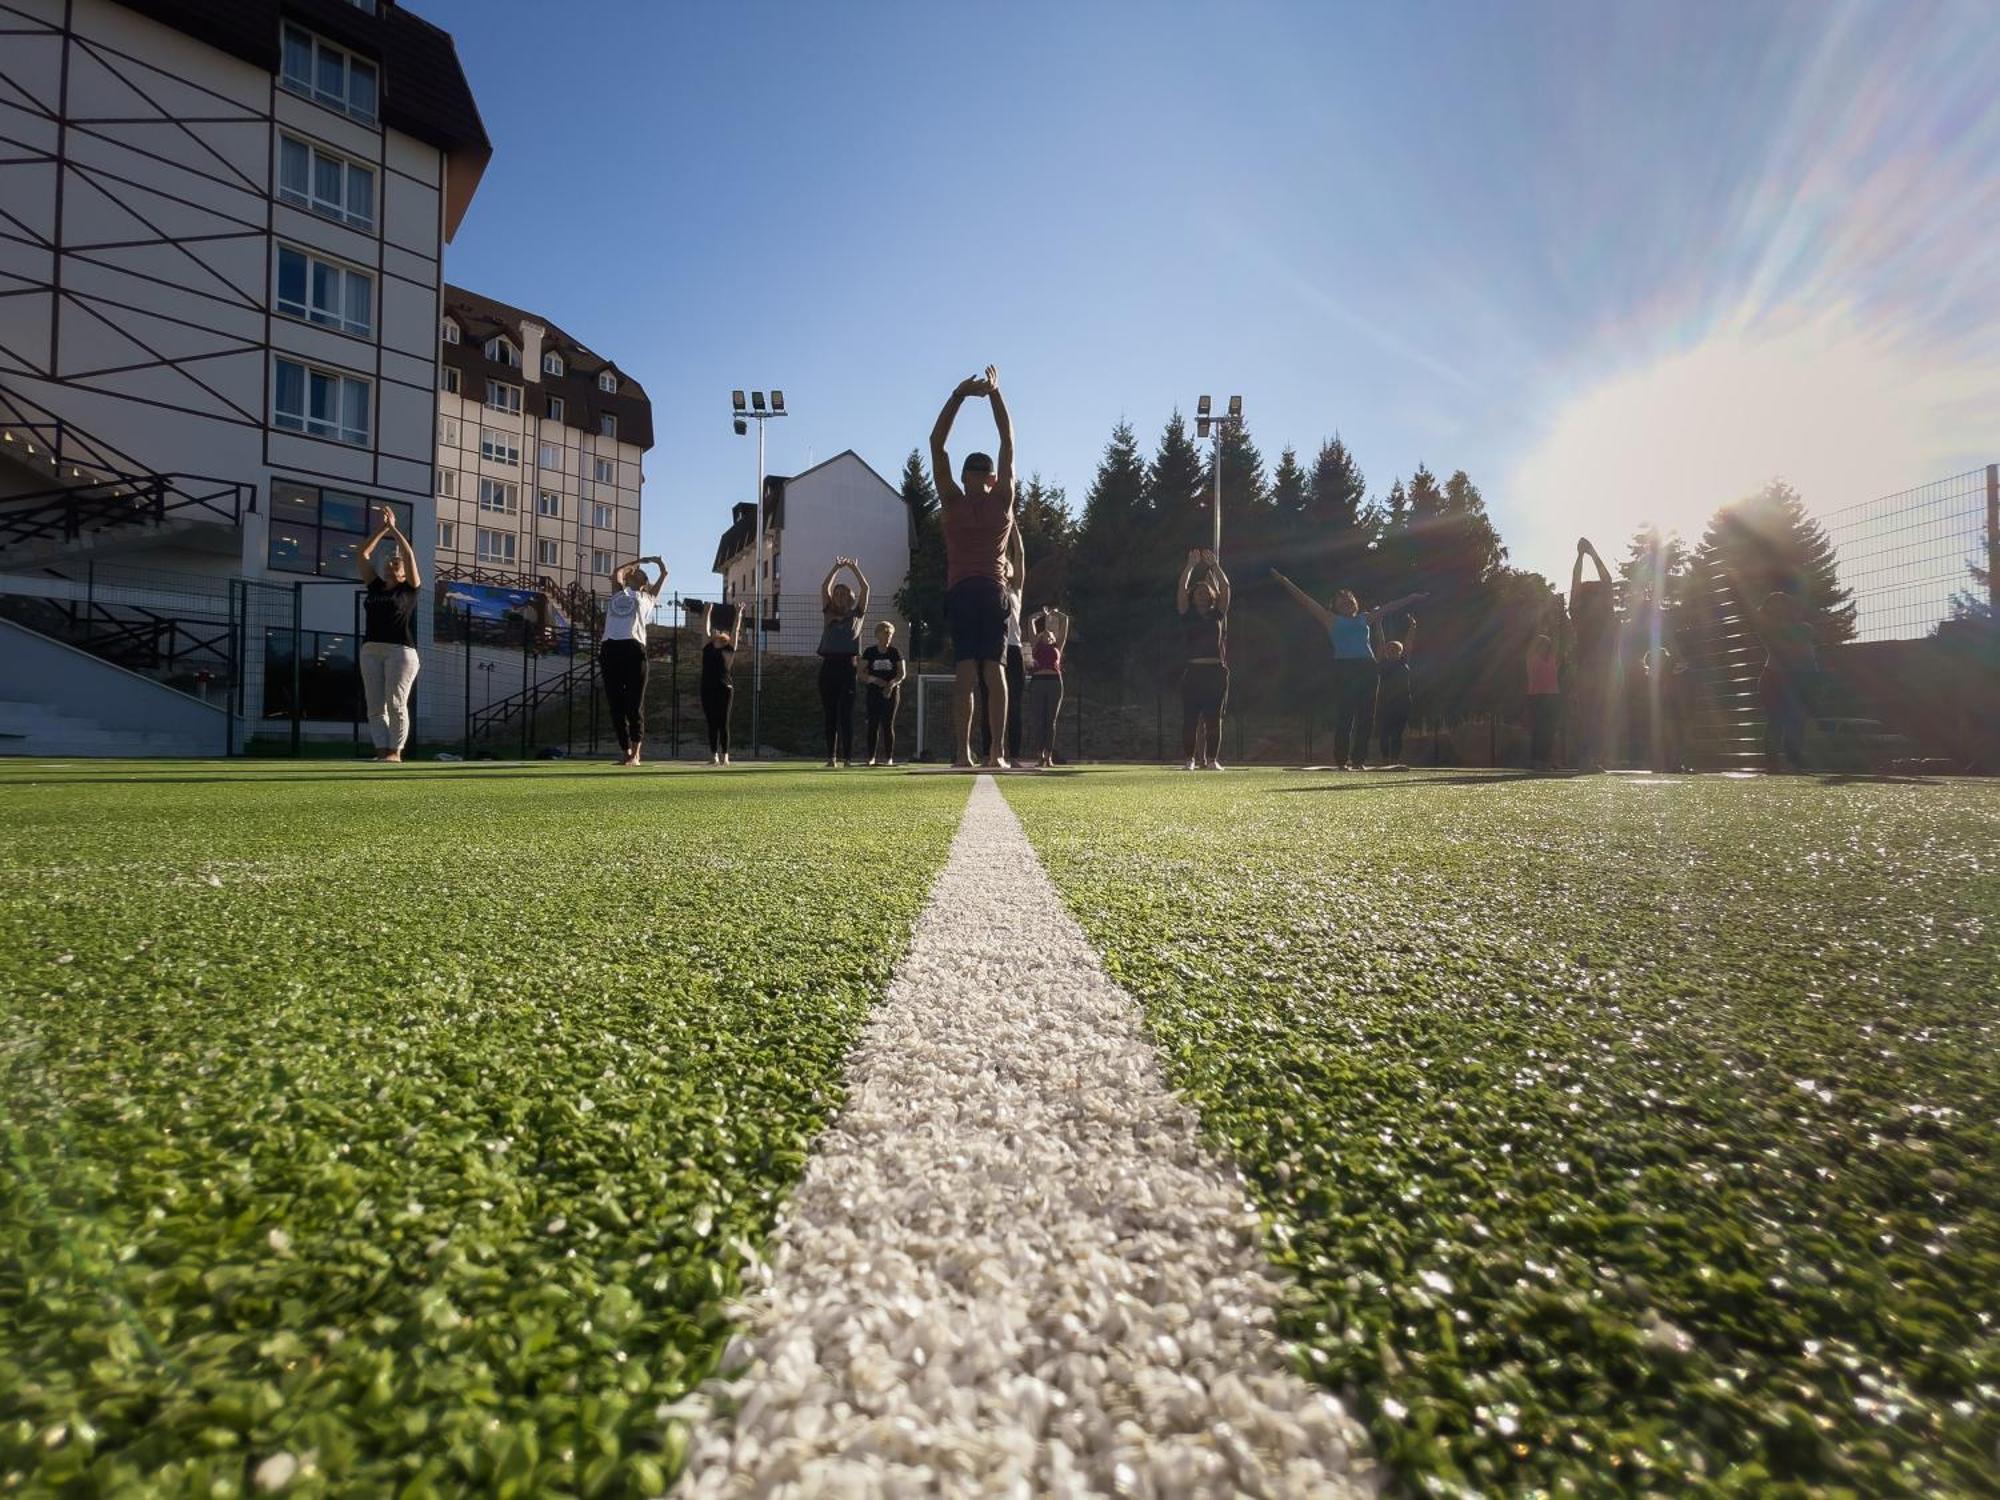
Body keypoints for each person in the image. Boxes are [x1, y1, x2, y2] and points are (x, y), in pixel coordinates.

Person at [930, 365, 1016, 768]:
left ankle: (963, 753)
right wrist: (995, 394)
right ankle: (995, 752)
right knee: (993, 670)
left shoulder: (951, 500)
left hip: (962, 591)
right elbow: (1007, 442)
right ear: (992, 477)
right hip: (994, 591)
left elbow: (937, 445)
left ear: (965, 477)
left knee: (966, 669)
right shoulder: (1002, 500)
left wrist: (958, 395)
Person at [1270, 570, 1425, 770]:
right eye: (1342, 600)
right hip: (1345, 669)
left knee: (1366, 717)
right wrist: (1285, 581)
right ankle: (1341, 760)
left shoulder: (1365, 618)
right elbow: (1306, 600)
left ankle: (1359, 760)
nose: (1347, 601)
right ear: (1334, 606)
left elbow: (1389, 607)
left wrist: (1411, 597)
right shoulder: (1330, 619)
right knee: (1345, 715)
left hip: (1367, 668)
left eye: (1350, 599)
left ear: (1356, 603)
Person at [356, 505, 421, 762]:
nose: (391, 564)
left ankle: (395, 752)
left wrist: (394, 529)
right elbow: (362, 554)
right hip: (371, 649)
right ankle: (381, 752)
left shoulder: (409, 589)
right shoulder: (375, 586)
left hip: (400, 651)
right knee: (374, 707)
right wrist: (381, 530)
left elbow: (408, 553)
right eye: (388, 562)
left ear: (404, 571)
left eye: (397, 563)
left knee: (396, 704)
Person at [600, 555, 665, 767]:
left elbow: (665, 574)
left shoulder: (647, 597)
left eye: (636, 573)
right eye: (631, 573)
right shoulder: (619, 592)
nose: (632, 574)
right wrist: (635, 562)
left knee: (634, 704)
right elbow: (616, 573)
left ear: (643, 582)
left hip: (633, 648)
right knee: (615, 704)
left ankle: (636, 754)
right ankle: (625, 751)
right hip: (610, 647)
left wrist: (656, 563)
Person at [1177, 548, 1232, 770]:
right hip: (1193, 672)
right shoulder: (1187, 614)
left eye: (1205, 592)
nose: (1201, 594)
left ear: (1211, 595)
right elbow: (1181, 588)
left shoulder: (1218, 614)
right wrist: (1190, 567)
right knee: (1190, 718)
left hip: (1216, 672)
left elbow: (1226, 588)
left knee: (1213, 718)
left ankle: (1211, 760)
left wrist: (1214, 566)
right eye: (1197, 592)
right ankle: (1190, 759)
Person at [979, 526, 1029, 764]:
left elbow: (1019, 553)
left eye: (1008, 563)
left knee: (1015, 705)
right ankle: (988, 752)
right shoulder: (991, 588)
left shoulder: (1017, 589)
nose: (1006, 565)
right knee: (989, 701)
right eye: (1002, 563)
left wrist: (1012, 526)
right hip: (992, 650)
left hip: (1014, 649)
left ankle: (1015, 754)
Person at [1755, 588, 1818, 773]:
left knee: (1797, 719)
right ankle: (1774, 763)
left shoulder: (1800, 627)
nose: (1781, 608)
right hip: (1773, 678)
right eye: (1775, 605)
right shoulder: (1768, 628)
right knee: (1777, 721)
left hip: (1794, 678)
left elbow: (1807, 647)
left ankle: (1794, 759)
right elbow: (1781, 647)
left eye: (1783, 604)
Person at [817, 556, 869, 767]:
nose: (838, 596)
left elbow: (866, 588)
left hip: (848, 666)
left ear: (850, 597)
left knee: (845, 714)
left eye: (843, 594)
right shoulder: (828, 611)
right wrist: (836, 568)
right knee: (830, 714)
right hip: (828, 666)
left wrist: (854, 568)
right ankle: (832, 757)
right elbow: (824, 586)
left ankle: (847, 758)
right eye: (836, 593)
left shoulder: (857, 613)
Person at [1569, 537, 1616, 770]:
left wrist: (1582, 555)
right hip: (1594, 668)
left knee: (1592, 713)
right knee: (1593, 713)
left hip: (1591, 668)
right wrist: (1590, 553)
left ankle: (1591, 757)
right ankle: (1589, 757)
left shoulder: (1580, 612)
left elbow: (1578, 584)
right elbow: (1604, 580)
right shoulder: (1594, 611)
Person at [1022, 606, 1070, 768]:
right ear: (1040, 636)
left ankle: (1048, 756)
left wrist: (1056, 613)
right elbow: (1030, 621)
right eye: (1044, 632)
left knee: (1051, 721)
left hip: (1055, 682)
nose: (1048, 633)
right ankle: (1039, 755)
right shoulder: (1035, 645)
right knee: (1038, 721)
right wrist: (1042, 614)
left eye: (1051, 633)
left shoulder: (1058, 646)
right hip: (1038, 682)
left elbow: (1065, 620)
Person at [860, 620, 906, 766]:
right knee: (873, 723)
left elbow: (901, 673)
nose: (888, 637)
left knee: (887, 723)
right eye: (886, 634)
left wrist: (892, 684)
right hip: (873, 692)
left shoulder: (895, 652)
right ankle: (871, 757)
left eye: (890, 634)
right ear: (877, 635)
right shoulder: (870, 652)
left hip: (891, 693)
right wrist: (874, 680)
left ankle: (888, 758)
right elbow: (860, 673)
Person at [1375, 614, 1417, 767]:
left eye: (1396, 649)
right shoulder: (1383, 663)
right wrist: (1379, 624)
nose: (1393, 651)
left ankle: (1394, 760)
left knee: (1397, 733)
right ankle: (1385, 759)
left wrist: (1413, 626)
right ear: (1386, 651)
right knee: (1385, 732)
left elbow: (1409, 643)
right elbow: (1380, 641)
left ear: (1400, 651)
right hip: (1386, 701)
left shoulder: (1403, 661)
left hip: (1403, 701)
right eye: (1390, 649)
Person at [699, 602, 736, 765]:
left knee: (723, 722)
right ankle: (713, 755)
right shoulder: (707, 647)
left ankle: (725, 755)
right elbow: (704, 628)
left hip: (725, 688)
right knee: (711, 722)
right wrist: (707, 611)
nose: (717, 632)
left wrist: (739, 615)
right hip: (707, 688)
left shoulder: (728, 649)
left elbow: (735, 631)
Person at [1525, 632, 1561, 770]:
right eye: (1543, 645)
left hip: (1552, 696)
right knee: (1539, 730)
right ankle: (1536, 760)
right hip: (1537, 696)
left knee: (1550, 730)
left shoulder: (1552, 658)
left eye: (1548, 645)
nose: (1546, 648)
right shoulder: (1532, 658)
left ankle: (1546, 760)